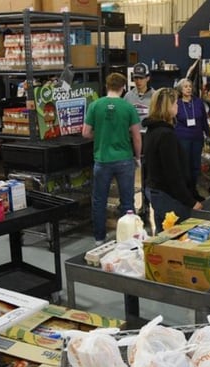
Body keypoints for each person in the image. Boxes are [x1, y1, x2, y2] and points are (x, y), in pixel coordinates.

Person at [83, 73, 142, 246]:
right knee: (127, 201)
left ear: (106, 86)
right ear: (123, 88)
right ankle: (127, 238)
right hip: (124, 159)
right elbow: (137, 137)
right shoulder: (128, 107)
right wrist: (137, 157)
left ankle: (99, 238)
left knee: (99, 200)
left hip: (102, 160)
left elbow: (86, 133)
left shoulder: (95, 106)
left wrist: (101, 135)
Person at [143, 88, 204, 232]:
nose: (178, 106)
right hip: (168, 196)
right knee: (177, 236)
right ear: (168, 106)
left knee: (162, 235)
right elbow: (173, 174)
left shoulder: (152, 130)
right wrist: (191, 201)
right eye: (175, 103)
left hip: (156, 191)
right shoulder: (166, 135)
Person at [174, 78, 210, 200]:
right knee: (185, 165)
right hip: (182, 138)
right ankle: (185, 192)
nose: (188, 88)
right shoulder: (177, 103)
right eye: (185, 87)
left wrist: (208, 134)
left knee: (195, 166)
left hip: (197, 138)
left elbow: (204, 119)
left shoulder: (198, 102)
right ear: (180, 89)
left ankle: (193, 191)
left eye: (190, 86)